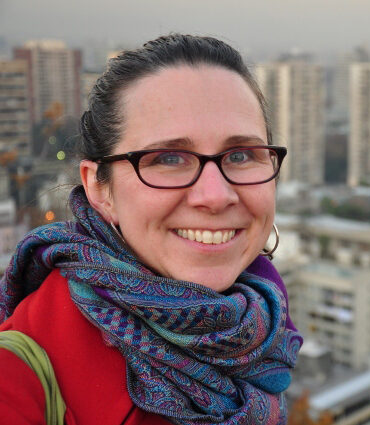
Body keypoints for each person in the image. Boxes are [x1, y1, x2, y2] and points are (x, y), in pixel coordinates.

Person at [0, 34, 302, 425]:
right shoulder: (19, 380)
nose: (215, 195)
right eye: (169, 158)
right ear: (98, 187)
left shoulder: (264, 329)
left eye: (241, 155)